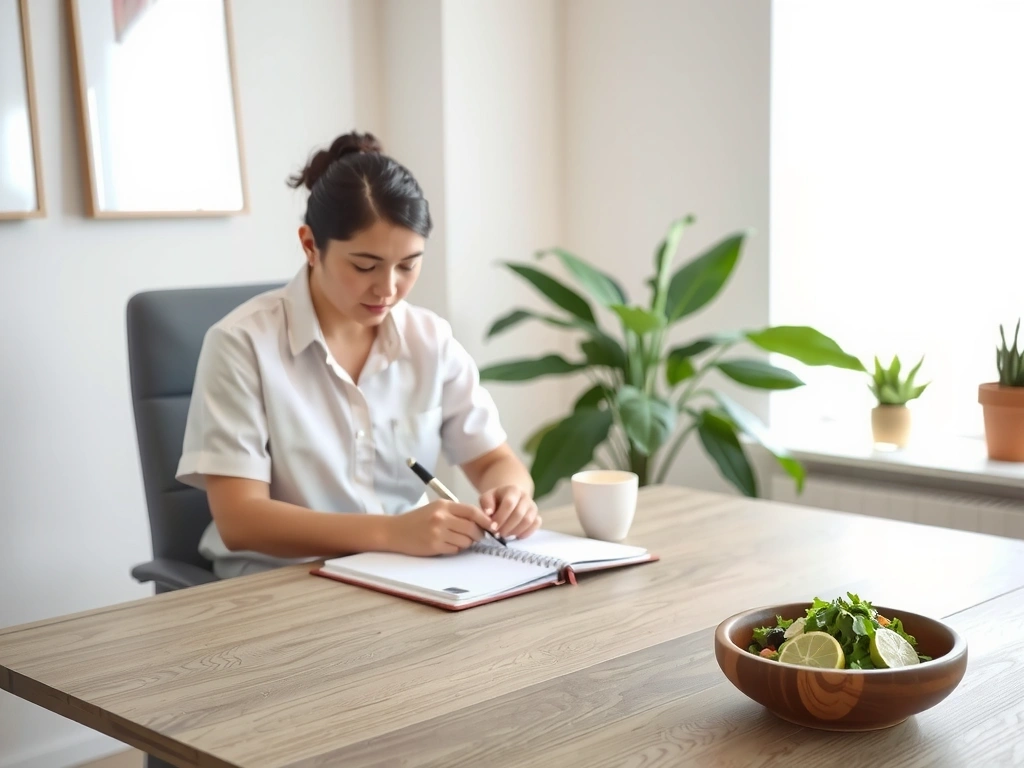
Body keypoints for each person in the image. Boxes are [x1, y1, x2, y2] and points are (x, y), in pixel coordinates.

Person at [175, 131, 541, 579]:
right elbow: (240, 519)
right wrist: (390, 533)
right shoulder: (241, 344)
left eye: (408, 265)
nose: (388, 289)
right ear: (310, 246)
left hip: (407, 577)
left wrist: (511, 495)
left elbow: (492, 461)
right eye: (365, 266)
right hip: (280, 586)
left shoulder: (430, 339)